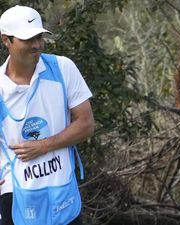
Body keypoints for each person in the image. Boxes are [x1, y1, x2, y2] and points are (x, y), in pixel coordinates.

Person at [0, 5, 94, 225]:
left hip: (62, 189)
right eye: (27, 39)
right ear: (6, 40)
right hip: (15, 194)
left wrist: (43, 146)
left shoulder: (63, 68)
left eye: (39, 37)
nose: (36, 45)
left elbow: (86, 123)